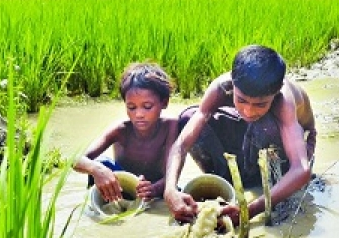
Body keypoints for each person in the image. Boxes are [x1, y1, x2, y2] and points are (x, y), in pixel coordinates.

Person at [164, 45, 315, 227]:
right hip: (252, 131)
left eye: (260, 104)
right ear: (233, 84)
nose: (248, 111)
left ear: (276, 92)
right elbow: (182, 144)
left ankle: (271, 189)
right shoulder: (221, 87)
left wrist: (249, 210)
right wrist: (170, 189)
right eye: (241, 100)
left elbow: (302, 169)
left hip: (293, 144)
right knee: (188, 118)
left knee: (262, 125)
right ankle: (225, 183)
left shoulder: (284, 102)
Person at [73, 62, 179, 203]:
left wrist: (154, 189)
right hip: (122, 189)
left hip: (155, 187)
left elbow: (172, 173)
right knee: (102, 163)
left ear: (164, 103)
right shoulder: (120, 130)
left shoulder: (171, 126)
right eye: (131, 107)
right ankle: (100, 205)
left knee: (182, 195)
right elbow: (75, 159)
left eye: (147, 107)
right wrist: (96, 169)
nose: (139, 114)